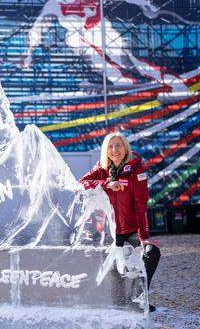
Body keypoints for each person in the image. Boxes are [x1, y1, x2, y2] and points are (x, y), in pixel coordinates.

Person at [22, 0, 188, 93]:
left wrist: (144, 2)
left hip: (99, 30)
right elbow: (38, 28)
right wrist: (29, 53)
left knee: (126, 61)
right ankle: (121, 80)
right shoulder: (55, 4)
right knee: (79, 45)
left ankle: (171, 81)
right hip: (77, 36)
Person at [80, 132, 160, 311]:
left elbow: (141, 205)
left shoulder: (136, 169)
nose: (114, 150)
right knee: (114, 265)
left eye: (118, 145)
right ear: (106, 150)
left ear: (126, 148)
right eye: (110, 146)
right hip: (110, 231)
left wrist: (143, 236)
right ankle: (121, 302)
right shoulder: (102, 168)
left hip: (131, 229)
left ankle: (139, 298)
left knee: (151, 253)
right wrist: (106, 183)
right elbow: (82, 183)